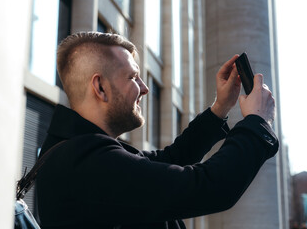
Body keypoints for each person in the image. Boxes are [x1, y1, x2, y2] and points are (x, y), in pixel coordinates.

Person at [36, 32, 278, 229]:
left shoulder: (81, 152)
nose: (145, 88)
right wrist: (256, 122)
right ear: (100, 87)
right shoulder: (85, 162)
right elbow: (209, 188)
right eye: (133, 77)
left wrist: (220, 108)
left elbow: (169, 160)